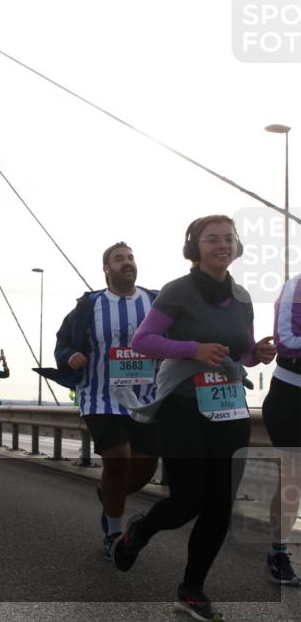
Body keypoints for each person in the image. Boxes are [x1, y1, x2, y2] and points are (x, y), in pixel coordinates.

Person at [113, 215, 276, 621]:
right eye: (212, 239)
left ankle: (191, 590)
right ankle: (139, 532)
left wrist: (256, 354)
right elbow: (143, 341)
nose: (222, 245)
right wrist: (193, 349)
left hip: (229, 407)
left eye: (228, 238)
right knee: (187, 501)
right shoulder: (178, 291)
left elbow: (239, 353)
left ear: (237, 246)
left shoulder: (241, 297)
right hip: (184, 407)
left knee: (220, 506)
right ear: (195, 247)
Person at [45, 242, 161, 559]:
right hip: (101, 396)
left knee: (145, 468)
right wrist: (70, 356)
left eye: (131, 257)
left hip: (146, 398)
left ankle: (109, 496)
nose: (127, 262)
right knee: (118, 459)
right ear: (107, 268)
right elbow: (63, 342)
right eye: (119, 259)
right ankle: (114, 533)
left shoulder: (156, 301)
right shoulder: (89, 306)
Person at [262, 273, 301, 586]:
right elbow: (285, 342)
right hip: (291, 397)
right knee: (293, 478)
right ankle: (278, 552)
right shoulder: (296, 285)